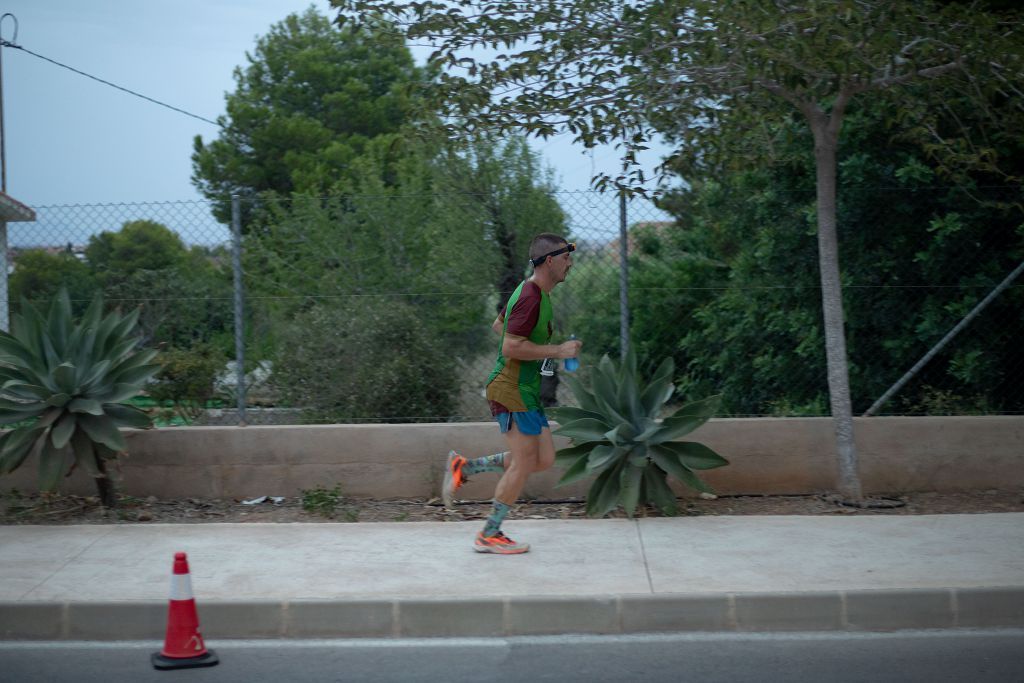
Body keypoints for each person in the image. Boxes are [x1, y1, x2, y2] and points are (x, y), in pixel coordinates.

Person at [442, 233, 582, 554]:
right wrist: (556, 350)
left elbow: (499, 325)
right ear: (550, 261)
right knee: (523, 462)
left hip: (526, 390)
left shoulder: (537, 294)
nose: (570, 264)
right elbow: (508, 344)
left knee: (543, 459)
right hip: (511, 389)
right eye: (566, 258)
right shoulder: (531, 296)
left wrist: (539, 351)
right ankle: (489, 533)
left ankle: (465, 467)